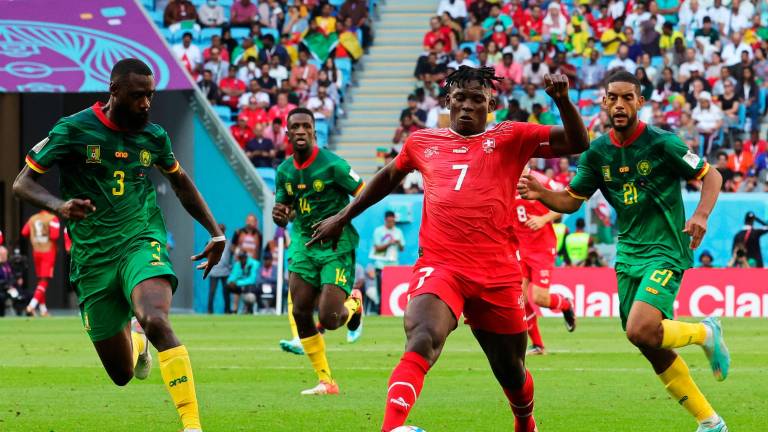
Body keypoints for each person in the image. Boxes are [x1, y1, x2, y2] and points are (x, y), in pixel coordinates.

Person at [308, 67, 589, 431]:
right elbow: (387, 177)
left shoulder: (512, 136)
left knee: (512, 372)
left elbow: (577, 142)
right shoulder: (422, 142)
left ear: (491, 104)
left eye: (477, 99)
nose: (468, 106)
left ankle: (525, 422)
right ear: (447, 102)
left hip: (498, 272)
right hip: (441, 267)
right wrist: (343, 216)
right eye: (460, 99)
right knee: (422, 336)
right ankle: (391, 428)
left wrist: (563, 101)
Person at [13, 58, 225, 432]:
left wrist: (216, 232)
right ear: (114, 92)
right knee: (122, 374)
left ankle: (191, 425)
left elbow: (180, 183)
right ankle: (136, 344)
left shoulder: (154, 136)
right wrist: (59, 205)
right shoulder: (73, 130)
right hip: (93, 260)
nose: (146, 104)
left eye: (151, 95)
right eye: (138, 96)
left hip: (140, 240)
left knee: (156, 320)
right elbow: (22, 183)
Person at [518, 70, 729, 432]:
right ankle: (709, 421)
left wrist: (701, 215)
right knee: (650, 343)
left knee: (640, 329)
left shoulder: (664, 143)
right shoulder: (597, 152)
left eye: (627, 97)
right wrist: (541, 194)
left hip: (665, 248)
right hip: (628, 254)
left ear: (639, 102)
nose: (619, 104)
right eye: (612, 97)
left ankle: (706, 332)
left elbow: (712, 176)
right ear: (603, 102)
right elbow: (571, 200)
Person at [272, 108, 365, 395]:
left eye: (306, 126)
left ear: (314, 131)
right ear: (287, 134)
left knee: (330, 319)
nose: (300, 131)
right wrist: (281, 216)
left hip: (336, 246)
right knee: (300, 311)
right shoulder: (284, 171)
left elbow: (364, 193)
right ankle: (327, 381)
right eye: (295, 127)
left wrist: (340, 220)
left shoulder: (333, 166)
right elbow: (284, 209)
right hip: (303, 243)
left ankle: (355, 304)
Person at [513, 169, 575, 356]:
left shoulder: (541, 180)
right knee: (519, 298)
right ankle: (538, 345)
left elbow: (566, 201)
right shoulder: (506, 181)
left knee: (540, 298)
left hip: (541, 247)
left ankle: (565, 304)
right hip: (519, 248)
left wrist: (543, 219)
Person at [20, 210, 60, 317]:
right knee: (44, 280)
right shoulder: (52, 218)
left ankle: (43, 310)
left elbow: (24, 232)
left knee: (40, 281)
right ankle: (31, 306)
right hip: (48, 251)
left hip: (36, 251)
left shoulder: (32, 218)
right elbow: (55, 236)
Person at [370, 210, 405, 312]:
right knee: (379, 289)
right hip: (380, 265)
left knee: (392, 288)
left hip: (394, 266)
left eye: (393, 221)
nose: (391, 223)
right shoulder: (378, 231)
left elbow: (402, 248)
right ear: (385, 220)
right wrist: (389, 243)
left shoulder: (398, 232)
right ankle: (378, 309)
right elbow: (377, 248)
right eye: (389, 221)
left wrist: (398, 243)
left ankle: (389, 309)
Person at [207, 224, 232, 314]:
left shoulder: (229, 242)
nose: (220, 231)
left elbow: (232, 253)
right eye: (219, 229)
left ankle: (228, 311)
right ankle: (210, 311)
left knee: (226, 292)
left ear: (224, 230)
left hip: (225, 271)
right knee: (212, 292)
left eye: (222, 229)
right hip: (214, 270)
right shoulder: (211, 241)